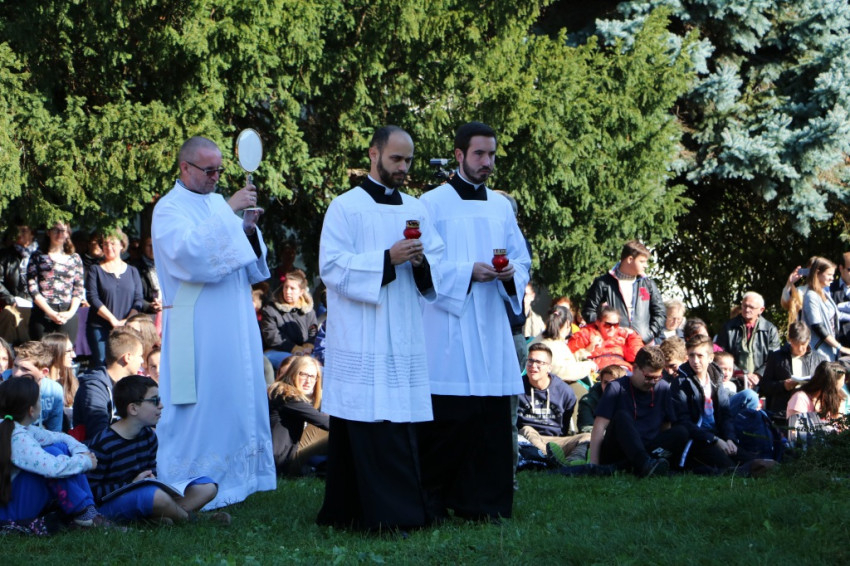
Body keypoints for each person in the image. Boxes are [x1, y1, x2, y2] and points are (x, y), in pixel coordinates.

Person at [316, 125, 443, 531]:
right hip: (361, 331)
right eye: (396, 159)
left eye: (408, 160)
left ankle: (397, 511)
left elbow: (437, 267)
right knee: (359, 420)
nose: (404, 167)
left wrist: (420, 261)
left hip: (402, 329)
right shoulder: (345, 207)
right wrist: (388, 259)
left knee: (398, 420)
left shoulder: (417, 208)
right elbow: (331, 267)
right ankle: (352, 510)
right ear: (374, 155)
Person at [152, 135, 276, 509]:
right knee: (200, 406)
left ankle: (238, 480)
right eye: (208, 170)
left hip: (235, 319)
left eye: (219, 170)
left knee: (235, 397)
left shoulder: (217, 205)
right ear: (184, 167)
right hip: (198, 325)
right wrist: (229, 211)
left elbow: (250, 268)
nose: (216, 177)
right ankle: (191, 482)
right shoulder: (169, 209)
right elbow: (190, 257)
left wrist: (247, 230)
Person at [418, 121, 531, 522]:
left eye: (492, 155)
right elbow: (423, 262)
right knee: (449, 419)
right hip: (448, 325)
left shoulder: (501, 207)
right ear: (459, 155)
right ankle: (434, 500)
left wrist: (510, 273)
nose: (487, 162)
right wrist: (467, 272)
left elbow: (522, 259)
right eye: (479, 154)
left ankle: (484, 504)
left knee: (490, 420)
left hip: (491, 320)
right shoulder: (431, 204)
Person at [87, 375, 224, 524]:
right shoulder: (104, 443)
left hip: (145, 495)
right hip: (109, 507)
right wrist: (131, 484)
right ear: (133, 408)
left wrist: (151, 481)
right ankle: (191, 520)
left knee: (207, 486)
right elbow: (91, 491)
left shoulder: (149, 436)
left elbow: (151, 473)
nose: (161, 405)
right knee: (155, 496)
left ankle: (158, 517)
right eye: (154, 400)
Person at [0, 377, 105, 529]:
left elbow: (60, 437)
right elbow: (52, 468)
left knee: (59, 447)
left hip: (13, 503)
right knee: (52, 453)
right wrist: (85, 462)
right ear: (31, 410)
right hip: (9, 513)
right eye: (39, 400)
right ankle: (83, 512)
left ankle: (88, 511)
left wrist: (81, 452)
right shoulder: (17, 437)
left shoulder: (19, 429)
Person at [588, 346, 689, 477]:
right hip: (619, 450)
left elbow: (665, 427)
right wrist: (594, 464)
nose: (652, 382)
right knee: (622, 416)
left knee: (681, 432)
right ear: (635, 368)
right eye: (648, 377)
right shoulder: (616, 388)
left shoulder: (662, 388)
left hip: (649, 449)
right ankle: (642, 464)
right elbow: (599, 426)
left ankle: (642, 465)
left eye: (657, 377)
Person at [671, 335, 743, 471]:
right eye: (691, 355)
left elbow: (725, 414)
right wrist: (714, 439)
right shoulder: (680, 382)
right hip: (697, 439)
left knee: (748, 459)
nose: (695, 361)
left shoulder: (716, 379)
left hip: (718, 435)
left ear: (710, 358)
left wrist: (729, 439)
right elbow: (683, 421)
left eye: (700, 356)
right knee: (731, 468)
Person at [517, 343, 590, 466]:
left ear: (549, 368)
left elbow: (566, 424)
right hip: (526, 439)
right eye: (530, 361)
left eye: (539, 362)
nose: (533, 366)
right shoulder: (517, 388)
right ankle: (549, 458)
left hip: (556, 442)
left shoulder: (564, 391)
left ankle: (570, 463)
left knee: (587, 437)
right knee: (527, 429)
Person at [581, 239, 666, 344]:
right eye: (642, 261)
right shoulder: (603, 283)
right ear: (630, 259)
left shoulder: (648, 284)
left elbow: (660, 314)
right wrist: (608, 330)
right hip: (612, 346)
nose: (646, 265)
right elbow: (589, 311)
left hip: (643, 345)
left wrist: (649, 335)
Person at [85, 228, 144, 367]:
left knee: (125, 365)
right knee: (102, 364)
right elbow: (92, 297)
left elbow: (138, 299)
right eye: (105, 244)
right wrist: (113, 320)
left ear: (122, 245)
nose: (108, 247)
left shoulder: (133, 271)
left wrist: (127, 321)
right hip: (100, 327)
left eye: (113, 243)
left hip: (126, 328)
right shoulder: (95, 270)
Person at [73, 328, 143, 443]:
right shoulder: (94, 388)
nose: (142, 361)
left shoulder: (129, 386)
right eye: (140, 355)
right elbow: (99, 434)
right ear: (128, 357)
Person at [268, 356, 329, 476]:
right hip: (282, 463)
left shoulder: (284, 392)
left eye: (312, 376)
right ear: (293, 373)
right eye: (303, 375)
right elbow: (326, 423)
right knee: (336, 426)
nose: (308, 381)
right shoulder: (286, 395)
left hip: (283, 458)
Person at [27, 221, 84, 342]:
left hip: (67, 312)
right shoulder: (37, 256)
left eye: (63, 231)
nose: (59, 234)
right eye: (55, 230)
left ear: (68, 233)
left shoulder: (75, 258)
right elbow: (32, 287)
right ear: (48, 232)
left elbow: (78, 289)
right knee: (42, 351)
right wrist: (50, 313)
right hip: (43, 312)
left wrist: (70, 313)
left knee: (65, 351)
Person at [715, 292, 781, 389]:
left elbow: (775, 357)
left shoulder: (770, 329)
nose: (747, 310)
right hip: (733, 379)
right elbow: (720, 354)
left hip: (762, 381)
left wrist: (758, 374)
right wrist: (741, 373)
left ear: (761, 310)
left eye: (751, 307)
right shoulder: (728, 327)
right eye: (744, 306)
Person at [761, 321, 825, 418]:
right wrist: (783, 385)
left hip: (811, 411)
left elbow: (827, 387)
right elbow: (765, 386)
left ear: (809, 340)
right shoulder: (776, 357)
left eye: (803, 344)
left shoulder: (819, 360)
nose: (800, 348)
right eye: (796, 344)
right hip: (782, 412)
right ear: (790, 340)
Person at [260, 268, 319, 370]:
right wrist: (294, 349)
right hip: (275, 351)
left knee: (316, 364)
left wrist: (308, 346)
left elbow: (313, 332)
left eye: (292, 288)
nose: (288, 291)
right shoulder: (270, 310)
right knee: (295, 364)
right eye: (286, 287)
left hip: (303, 352)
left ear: (301, 292)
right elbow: (272, 337)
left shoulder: (308, 311)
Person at [802, 257, 850, 361]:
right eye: (829, 275)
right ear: (817, 273)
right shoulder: (811, 296)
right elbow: (817, 327)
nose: (832, 278)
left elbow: (837, 315)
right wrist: (840, 347)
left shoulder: (824, 293)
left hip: (830, 351)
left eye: (833, 275)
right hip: (818, 353)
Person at [568, 305, 644, 371]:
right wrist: (590, 347)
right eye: (608, 325)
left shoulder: (623, 335)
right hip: (597, 370)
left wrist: (633, 337)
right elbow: (569, 358)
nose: (612, 328)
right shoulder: (585, 334)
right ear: (598, 322)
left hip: (621, 368)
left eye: (615, 325)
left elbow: (636, 358)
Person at [533, 306, 596, 384]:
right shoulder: (554, 345)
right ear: (567, 324)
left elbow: (564, 362)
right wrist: (588, 366)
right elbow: (565, 372)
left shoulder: (542, 338)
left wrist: (583, 353)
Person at [11, 342, 64, 432]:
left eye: (25, 369)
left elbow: (55, 432)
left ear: (44, 372)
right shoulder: (3, 386)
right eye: (15, 366)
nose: (16, 374)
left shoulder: (54, 391)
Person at [0, 224, 37, 345]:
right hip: (14, 303)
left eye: (24, 231)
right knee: (9, 315)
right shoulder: (5, 256)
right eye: (17, 231)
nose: (19, 234)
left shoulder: (41, 255)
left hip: (38, 304)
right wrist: (10, 299)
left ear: (32, 233)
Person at [577, 365, 626, 433]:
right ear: (601, 383)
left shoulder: (631, 400)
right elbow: (587, 428)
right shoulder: (588, 401)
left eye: (613, 383)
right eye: (605, 382)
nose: (609, 386)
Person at [41, 333, 78, 424]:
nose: (74, 355)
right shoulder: (40, 384)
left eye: (73, 350)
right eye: (68, 351)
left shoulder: (71, 379)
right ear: (54, 353)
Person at [130, 237, 163, 316]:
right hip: (145, 314)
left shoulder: (166, 266)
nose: (152, 248)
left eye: (155, 245)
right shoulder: (134, 267)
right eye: (149, 245)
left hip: (165, 311)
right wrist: (148, 305)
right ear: (143, 247)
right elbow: (132, 294)